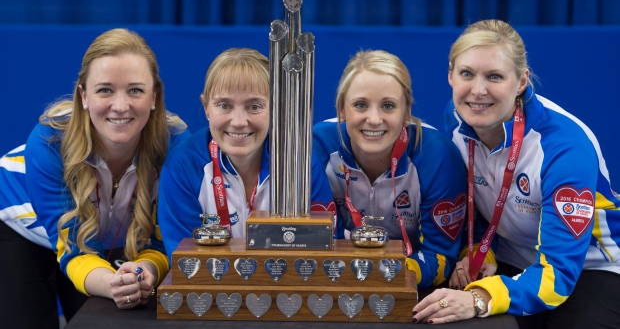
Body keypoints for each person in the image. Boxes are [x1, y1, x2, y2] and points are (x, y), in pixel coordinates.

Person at [412, 19, 620, 328]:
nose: (478, 91)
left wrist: (478, 299)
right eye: (467, 74)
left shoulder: (564, 148)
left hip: (587, 268)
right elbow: (481, 200)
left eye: (494, 76)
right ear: (450, 75)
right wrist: (482, 252)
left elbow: (558, 275)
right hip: (512, 258)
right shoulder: (456, 119)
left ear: (521, 81)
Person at [4, 28, 190, 328]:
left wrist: (143, 275)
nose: (120, 106)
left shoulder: (177, 145)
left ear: (154, 96)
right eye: (105, 90)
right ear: (84, 96)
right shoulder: (48, 142)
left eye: (135, 90)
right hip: (20, 231)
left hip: (104, 236)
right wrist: (111, 283)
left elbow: (164, 240)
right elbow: (74, 249)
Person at [157, 48, 335, 260]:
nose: (239, 122)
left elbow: (320, 253)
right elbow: (185, 262)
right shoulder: (183, 166)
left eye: (254, 106)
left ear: (276, 108)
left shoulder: (299, 164)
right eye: (224, 105)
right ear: (206, 108)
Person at [312, 50, 467, 289]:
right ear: (341, 109)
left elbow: (440, 255)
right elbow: (315, 241)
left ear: (406, 112)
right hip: (337, 278)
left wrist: (387, 274)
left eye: (388, 106)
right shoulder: (317, 148)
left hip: (409, 281)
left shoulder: (438, 157)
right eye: (360, 105)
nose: (374, 119)